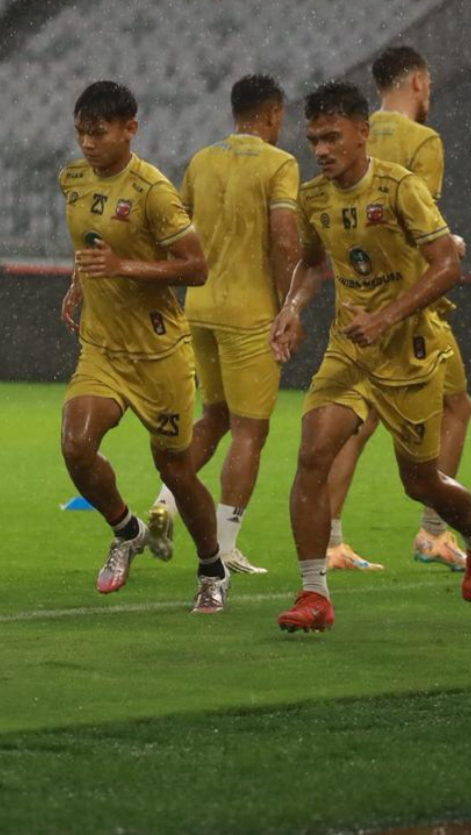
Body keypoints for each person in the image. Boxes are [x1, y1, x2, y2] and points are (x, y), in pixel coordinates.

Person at [270, 81, 471, 633]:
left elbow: (447, 264)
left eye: (332, 138)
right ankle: (313, 594)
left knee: (420, 481)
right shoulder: (313, 198)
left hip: (410, 352)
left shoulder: (399, 187)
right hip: (349, 349)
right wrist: (292, 308)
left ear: (362, 133)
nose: (321, 150)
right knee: (312, 454)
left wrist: (386, 317)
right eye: (314, 140)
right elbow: (311, 264)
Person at [58, 81, 229, 613]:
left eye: (99, 132)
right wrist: (80, 281)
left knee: (174, 471)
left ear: (130, 128)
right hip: (103, 348)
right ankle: (128, 531)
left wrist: (122, 267)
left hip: (160, 354)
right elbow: (91, 241)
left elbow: (196, 268)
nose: (88, 143)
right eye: (81, 132)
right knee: (76, 446)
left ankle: (212, 568)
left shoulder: (153, 191)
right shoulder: (73, 179)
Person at [321, 47, 471, 573]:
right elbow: (413, 222)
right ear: (419, 82)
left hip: (354, 300)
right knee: (457, 406)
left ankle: (331, 539)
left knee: (358, 420)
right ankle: (433, 530)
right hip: (407, 306)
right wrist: (450, 241)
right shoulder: (422, 141)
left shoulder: (350, 133)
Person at [147, 75, 300, 574]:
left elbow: (176, 230)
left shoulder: (202, 160)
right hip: (250, 313)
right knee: (249, 430)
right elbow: (284, 239)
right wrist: (289, 305)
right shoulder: (280, 164)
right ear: (273, 114)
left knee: (213, 416)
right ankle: (226, 544)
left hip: (200, 308)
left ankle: (165, 503)